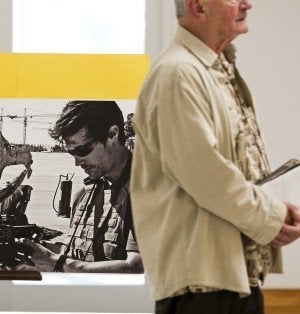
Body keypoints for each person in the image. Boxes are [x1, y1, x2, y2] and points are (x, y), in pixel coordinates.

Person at [131, 0, 300, 312]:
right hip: (203, 289)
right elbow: (208, 176)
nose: (247, 4)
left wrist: (274, 210)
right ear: (198, 6)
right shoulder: (178, 73)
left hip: (232, 280)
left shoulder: (213, 70)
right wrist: (271, 217)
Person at [18, 100, 143, 273]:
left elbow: (136, 267)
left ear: (112, 134)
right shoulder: (84, 195)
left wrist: (57, 262)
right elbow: (77, 257)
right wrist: (38, 254)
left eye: (82, 150)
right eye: (71, 152)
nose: (77, 162)